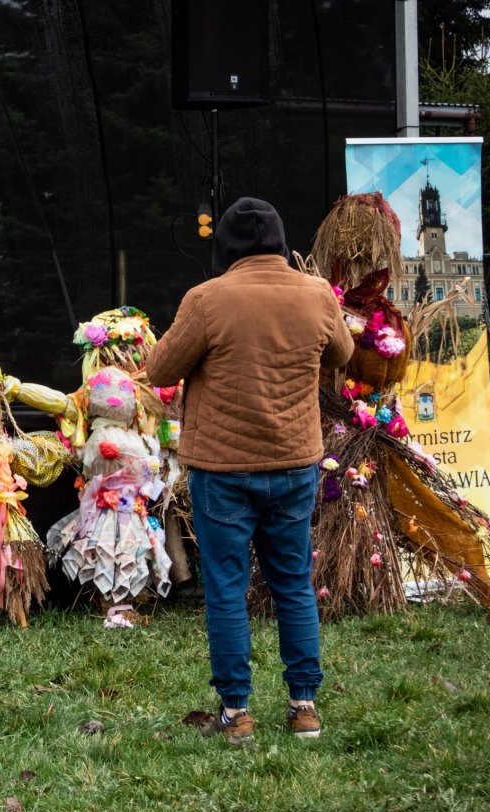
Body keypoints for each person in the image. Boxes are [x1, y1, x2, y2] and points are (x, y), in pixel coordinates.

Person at [144, 196, 353, 743]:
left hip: (223, 469)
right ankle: (304, 706)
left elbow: (161, 368)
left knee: (228, 591)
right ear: (281, 241)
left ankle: (237, 714)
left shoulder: (207, 299)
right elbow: (343, 355)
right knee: (293, 585)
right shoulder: (315, 295)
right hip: (294, 463)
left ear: (227, 246)